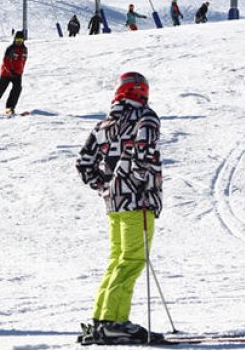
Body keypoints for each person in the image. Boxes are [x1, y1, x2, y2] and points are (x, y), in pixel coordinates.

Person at [74, 72, 164, 345]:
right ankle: (115, 321)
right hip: (139, 201)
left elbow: (84, 163)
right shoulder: (146, 119)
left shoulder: (104, 125)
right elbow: (142, 155)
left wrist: (107, 185)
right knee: (133, 259)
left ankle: (102, 320)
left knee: (118, 258)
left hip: (114, 203)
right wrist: (135, 184)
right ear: (142, 92)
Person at [0, 31, 28, 117]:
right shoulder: (10, 48)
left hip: (17, 73)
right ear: (14, 39)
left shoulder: (24, 49)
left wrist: (20, 71)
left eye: (21, 40)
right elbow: (5, 61)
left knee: (17, 89)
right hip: (6, 73)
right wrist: (10, 71)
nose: (19, 41)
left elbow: (24, 61)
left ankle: (10, 108)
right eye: (17, 39)